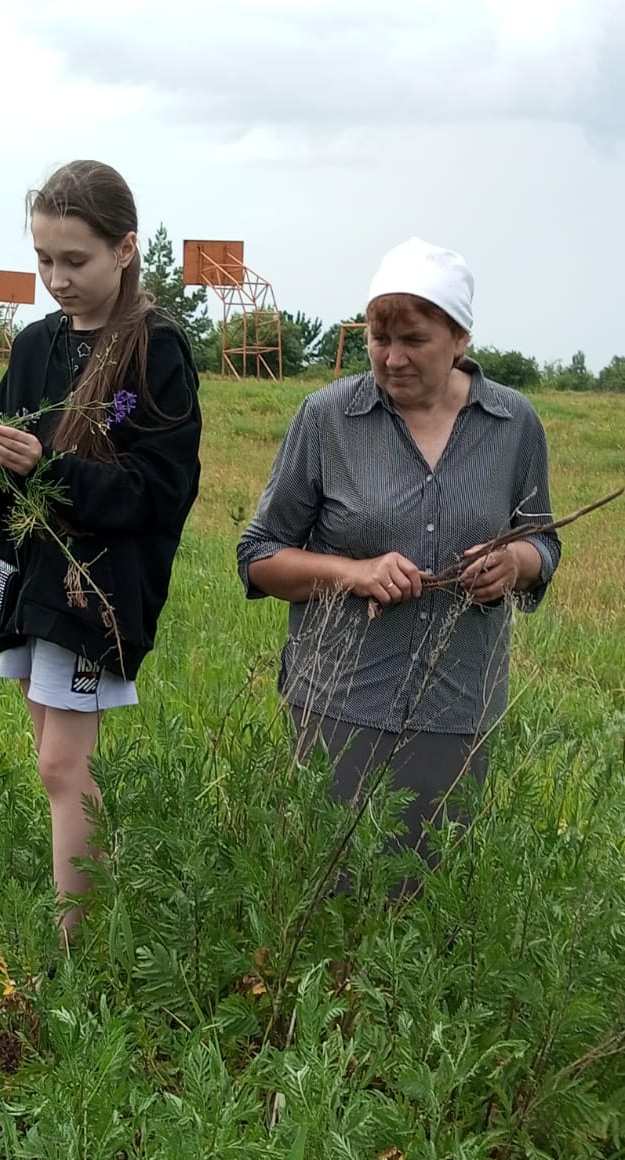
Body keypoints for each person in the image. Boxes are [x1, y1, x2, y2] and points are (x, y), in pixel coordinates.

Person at [238, 237, 560, 859]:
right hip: (340, 698)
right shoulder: (328, 419)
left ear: (460, 337)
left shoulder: (513, 425)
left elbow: (542, 541)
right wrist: (354, 573)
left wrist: (515, 565)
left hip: (459, 704)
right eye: (378, 339)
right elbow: (258, 555)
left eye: (413, 340)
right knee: (331, 881)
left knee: (427, 893)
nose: (393, 358)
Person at [0, 160, 202, 940]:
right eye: (44, 260)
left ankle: (78, 948)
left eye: (76, 260)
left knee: (64, 766)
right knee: (51, 757)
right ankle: (84, 921)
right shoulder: (35, 346)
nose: (57, 278)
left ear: (126, 248)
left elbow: (161, 491)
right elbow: (2, 499)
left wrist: (49, 466)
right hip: (34, 579)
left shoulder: (154, 348)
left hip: (97, 587)